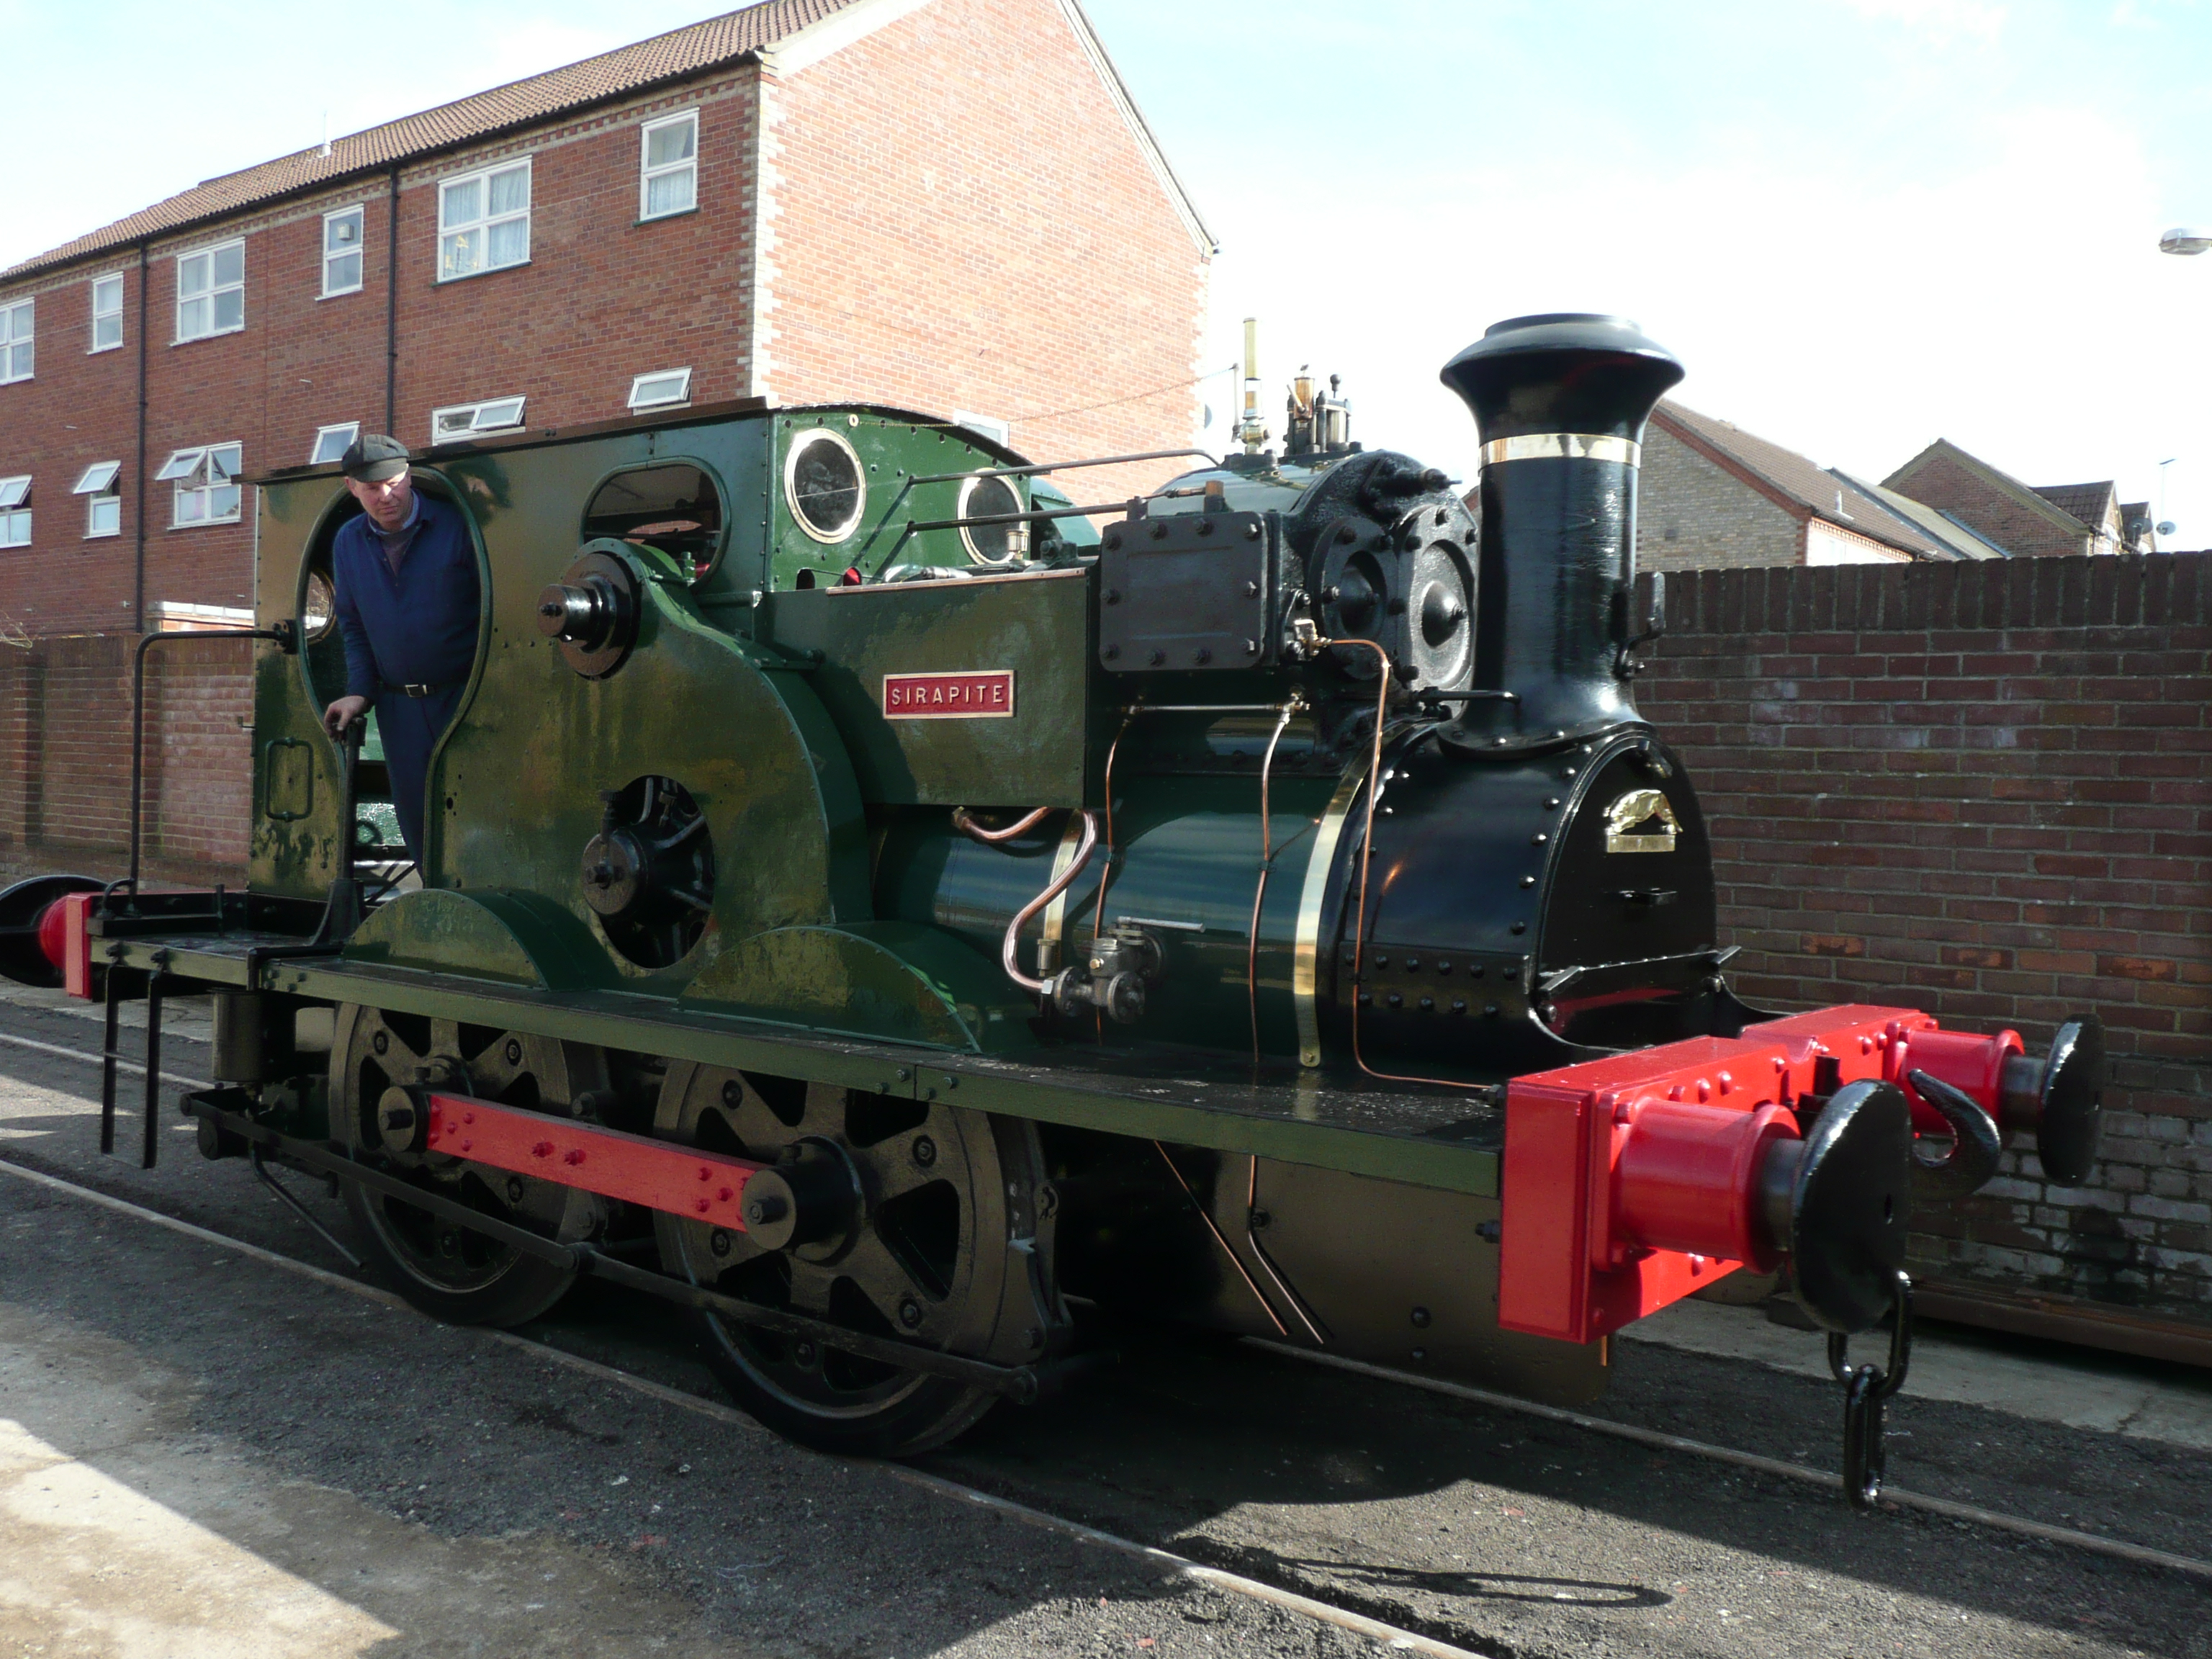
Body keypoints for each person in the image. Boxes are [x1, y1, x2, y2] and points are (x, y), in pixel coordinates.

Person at [321, 434, 480, 867]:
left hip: (468, 700)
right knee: (419, 828)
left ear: (409, 476)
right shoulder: (347, 543)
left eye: (394, 483)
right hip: (399, 710)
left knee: (479, 819)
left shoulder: (458, 527)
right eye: (372, 488)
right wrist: (360, 691)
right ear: (352, 488)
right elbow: (353, 627)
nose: (385, 496)